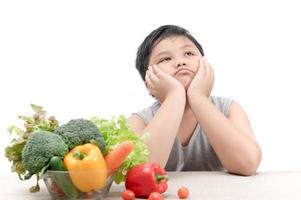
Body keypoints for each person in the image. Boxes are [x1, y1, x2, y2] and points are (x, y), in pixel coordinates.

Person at [127, 25, 261, 176]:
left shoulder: (228, 109)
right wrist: (174, 95)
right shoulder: (140, 121)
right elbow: (141, 172)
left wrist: (198, 97)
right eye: (165, 59)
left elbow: (247, 163)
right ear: (149, 81)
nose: (180, 62)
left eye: (189, 53)